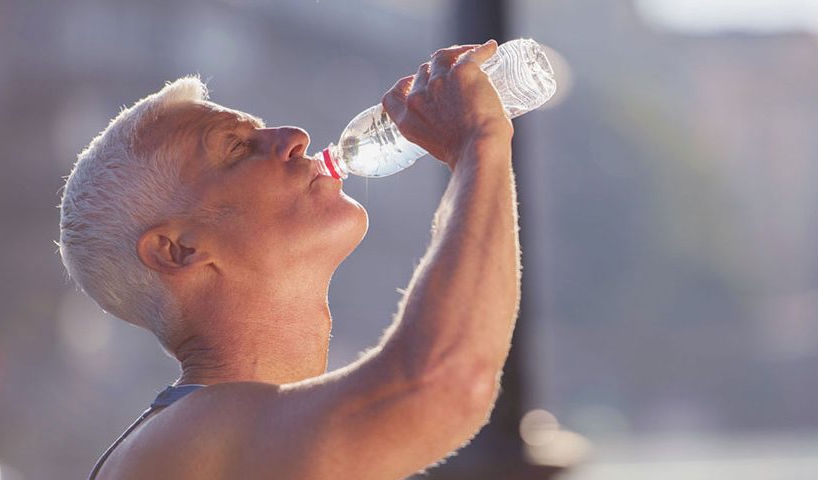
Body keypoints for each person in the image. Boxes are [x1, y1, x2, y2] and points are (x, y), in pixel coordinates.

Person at [58, 40, 520, 479]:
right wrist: (478, 141)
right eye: (238, 148)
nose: (295, 136)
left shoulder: (244, 436)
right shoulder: (181, 443)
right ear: (178, 250)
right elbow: (444, 385)